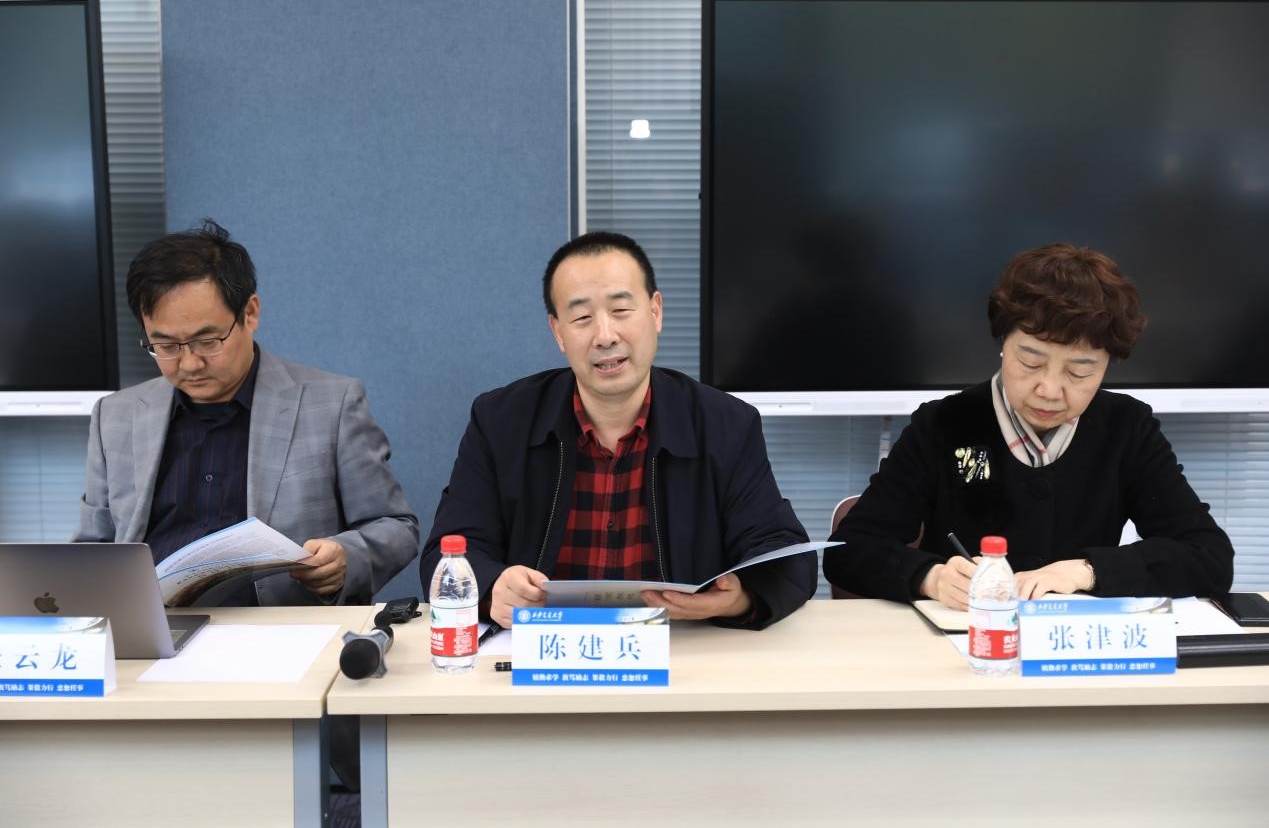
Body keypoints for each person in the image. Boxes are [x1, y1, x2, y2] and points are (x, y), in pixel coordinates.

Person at [421, 231, 816, 629]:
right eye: (582, 318)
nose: (605, 336)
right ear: (558, 332)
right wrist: (493, 587)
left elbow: (787, 558)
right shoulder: (501, 421)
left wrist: (738, 599)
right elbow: (445, 555)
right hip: (543, 649)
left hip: (678, 650)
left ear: (656, 312)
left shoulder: (724, 424)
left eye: (621, 310)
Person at [823, 243, 1234, 608]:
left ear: (1107, 365)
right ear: (1003, 344)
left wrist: (1086, 572)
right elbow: (849, 549)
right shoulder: (944, 423)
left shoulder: (1127, 428)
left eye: (1079, 372)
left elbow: (1208, 556)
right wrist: (930, 577)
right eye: (1031, 362)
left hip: (1073, 647)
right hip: (962, 643)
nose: (1049, 390)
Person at [73, 219, 419, 606]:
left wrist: (345, 558)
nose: (190, 364)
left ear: (250, 313)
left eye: (208, 340)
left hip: (281, 628)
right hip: (154, 625)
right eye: (166, 346)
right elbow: (92, 549)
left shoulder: (331, 405)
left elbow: (395, 527)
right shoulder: (116, 416)